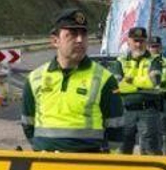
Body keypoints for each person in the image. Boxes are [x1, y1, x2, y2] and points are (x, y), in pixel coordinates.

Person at [21, 8, 126, 153]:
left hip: (88, 161)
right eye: (72, 34)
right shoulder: (35, 79)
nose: (80, 40)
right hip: (45, 161)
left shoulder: (105, 79)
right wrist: (42, 147)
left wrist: (103, 160)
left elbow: (116, 129)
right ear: (55, 41)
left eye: (84, 34)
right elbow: (28, 123)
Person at [108, 26, 166, 155]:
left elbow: (154, 82)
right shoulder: (120, 61)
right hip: (125, 110)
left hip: (148, 111)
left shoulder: (155, 60)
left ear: (146, 42)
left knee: (151, 149)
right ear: (128, 42)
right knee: (122, 149)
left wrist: (130, 81)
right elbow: (117, 85)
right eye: (135, 41)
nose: (138, 44)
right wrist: (141, 84)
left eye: (142, 41)